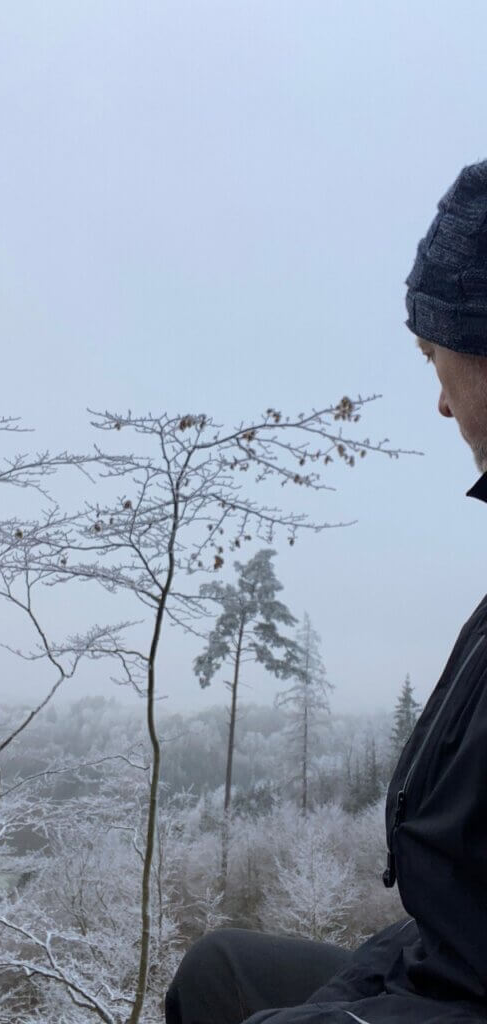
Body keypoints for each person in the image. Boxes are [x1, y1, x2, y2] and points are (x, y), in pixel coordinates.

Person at [165, 159, 487, 1024]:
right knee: (219, 969)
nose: (442, 405)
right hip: (444, 970)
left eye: (436, 357)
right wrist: (353, 995)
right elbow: (455, 920)